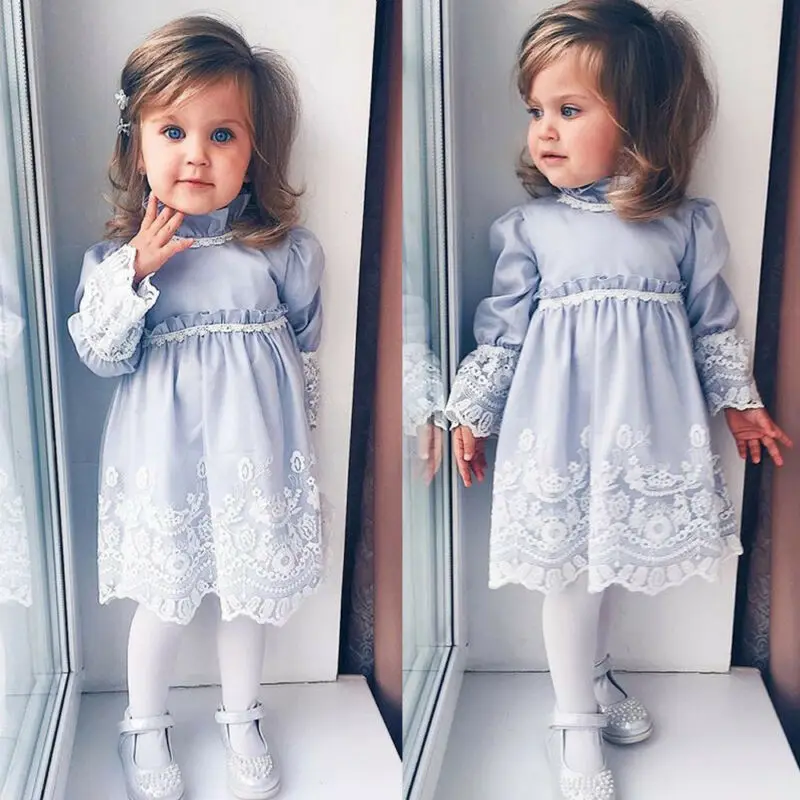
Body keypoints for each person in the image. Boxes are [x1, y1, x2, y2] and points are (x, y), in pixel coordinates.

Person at [444, 2, 791, 797]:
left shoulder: (683, 225)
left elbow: (712, 325)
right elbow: (501, 332)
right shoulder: (531, 229)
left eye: (569, 111)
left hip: (642, 430)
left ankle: (594, 675)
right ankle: (573, 721)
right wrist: (473, 409)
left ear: (638, 123)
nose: (544, 132)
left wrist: (738, 401)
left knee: (610, 567)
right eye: (536, 111)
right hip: (559, 430)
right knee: (571, 574)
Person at [68, 16, 323, 800]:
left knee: (248, 599)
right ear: (137, 143)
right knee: (166, 602)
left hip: (253, 458)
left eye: (222, 134)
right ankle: (143, 723)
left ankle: (241, 714)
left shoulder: (279, 252)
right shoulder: (118, 264)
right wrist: (135, 274)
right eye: (173, 131)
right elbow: (100, 354)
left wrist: (297, 443)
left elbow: (303, 349)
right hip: (165, 462)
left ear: (254, 151)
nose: (196, 155)